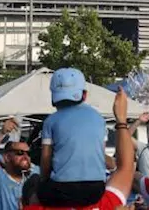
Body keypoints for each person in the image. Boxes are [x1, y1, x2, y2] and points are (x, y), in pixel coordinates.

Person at [38, 68, 109, 208]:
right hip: (96, 190)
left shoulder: (51, 121)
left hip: (62, 190)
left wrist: (42, 181)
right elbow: (101, 154)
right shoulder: (99, 118)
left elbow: (45, 163)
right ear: (84, 95)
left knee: (35, 185)